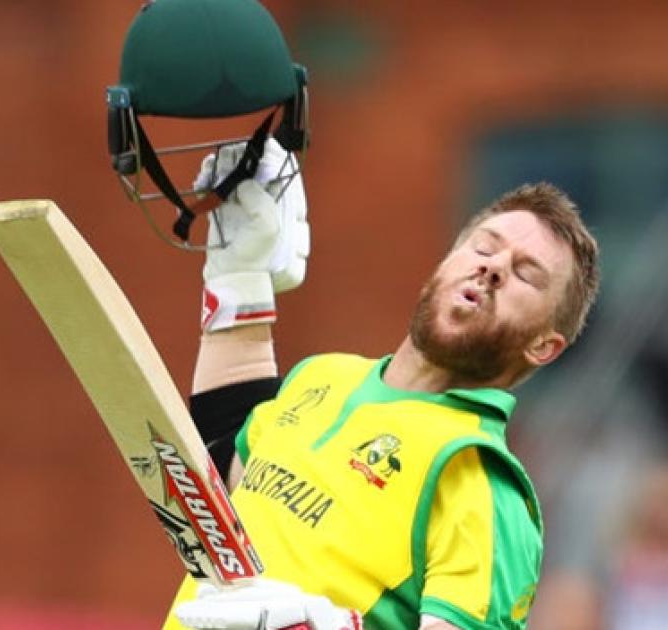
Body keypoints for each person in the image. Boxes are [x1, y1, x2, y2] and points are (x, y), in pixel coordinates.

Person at [162, 140, 601, 630]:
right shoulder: (322, 376)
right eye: (484, 246)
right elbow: (221, 493)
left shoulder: (479, 477)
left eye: (526, 274)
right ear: (446, 262)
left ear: (544, 347)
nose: (494, 267)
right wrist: (238, 279)